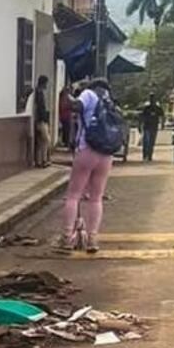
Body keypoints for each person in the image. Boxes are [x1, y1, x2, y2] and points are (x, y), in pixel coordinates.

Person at [56, 78, 117, 253]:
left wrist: (66, 93)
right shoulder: (108, 100)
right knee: (96, 197)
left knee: (73, 196)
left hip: (87, 150)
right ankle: (92, 239)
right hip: (106, 153)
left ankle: (67, 237)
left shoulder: (89, 94)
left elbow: (75, 107)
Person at [32, 75, 52, 168]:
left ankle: (39, 160)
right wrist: (44, 118)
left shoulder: (38, 93)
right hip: (41, 120)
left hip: (40, 119)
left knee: (41, 141)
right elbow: (40, 108)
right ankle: (43, 160)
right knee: (46, 140)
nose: (46, 86)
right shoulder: (39, 93)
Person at [139, 95, 164, 162]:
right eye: (151, 99)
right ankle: (145, 156)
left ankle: (149, 156)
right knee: (146, 142)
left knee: (151, 142)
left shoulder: (158, 108)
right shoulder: (147, 108)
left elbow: (162, 116)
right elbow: (142, 117)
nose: (152, 100)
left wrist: (162, 125)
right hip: (147, 127)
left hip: (154, 127)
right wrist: (140, 125)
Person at [58, 85, 74, 149]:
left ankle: (66, 142)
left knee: (66, 130)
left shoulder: (65, 97)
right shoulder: (65, 97)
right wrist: (70, 106)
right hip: (65, 115)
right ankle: (66, 143)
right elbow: (63, 106)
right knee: (67, 130)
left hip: (66, 115)